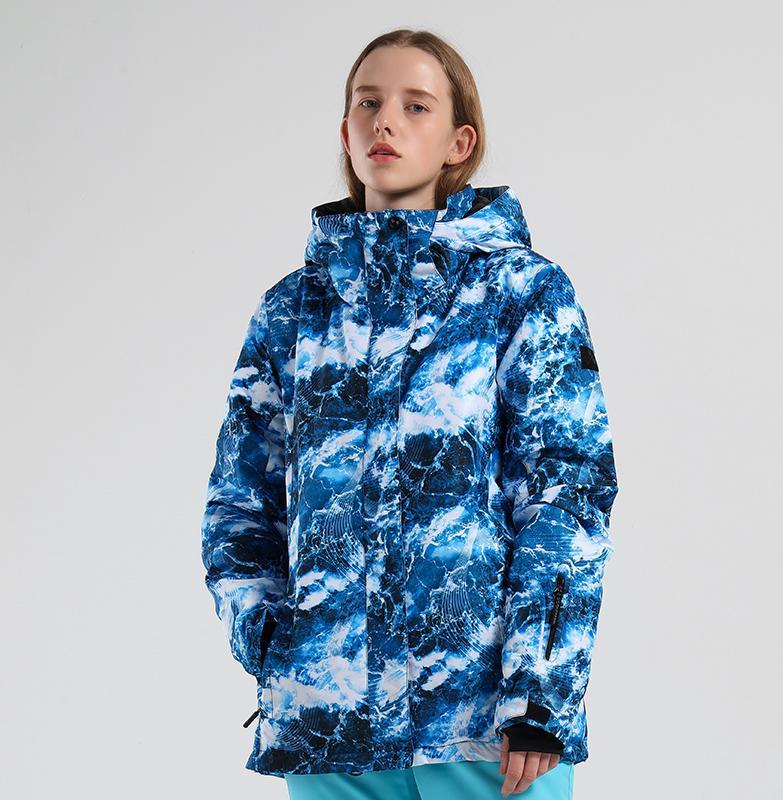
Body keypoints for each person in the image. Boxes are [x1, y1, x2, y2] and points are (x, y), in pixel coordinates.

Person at [200, 28, 618, 800]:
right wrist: (273, 641)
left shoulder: (520, 293)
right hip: (328, 724)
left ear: (461, 142)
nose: (385, 121)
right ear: (345, 133)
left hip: (483, 721)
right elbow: (239, 505)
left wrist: (540, 695)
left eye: (415, 105)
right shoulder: (292, 311)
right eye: (368, 103)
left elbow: (568, 496)